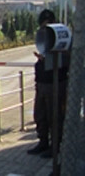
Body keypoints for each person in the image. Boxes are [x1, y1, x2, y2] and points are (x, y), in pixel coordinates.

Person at [27, 9, 69, 158]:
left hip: (55, 84)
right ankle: (43, 141)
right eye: (43, 26)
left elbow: (65, 61)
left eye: (48, 24)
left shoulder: (62, 38)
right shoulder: (44, 38)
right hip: (42, 83)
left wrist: (49, 61)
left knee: (55, 117)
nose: (45, 28)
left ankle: (55, 146)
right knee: (40, 115)